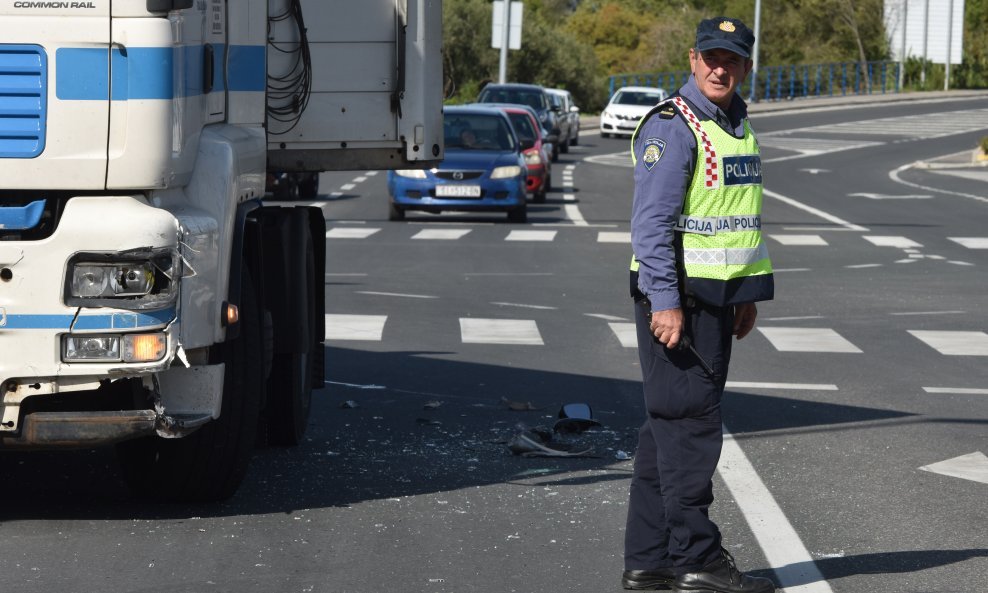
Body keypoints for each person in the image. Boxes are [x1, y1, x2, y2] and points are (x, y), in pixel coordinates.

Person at [622, 16, 776, 593]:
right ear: (692, 59)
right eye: (711, 57)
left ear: (745, 67)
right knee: (690, 426)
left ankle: (650, 559)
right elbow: (653, 225)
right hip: (679, 301)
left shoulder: (735, 126)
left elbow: (738, 218)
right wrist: (665, 304)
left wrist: (745, 296)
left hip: (715, 299)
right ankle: (697, 558)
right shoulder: (676, 125)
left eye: (731, 59)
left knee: (665, 427)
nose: (720, 68)